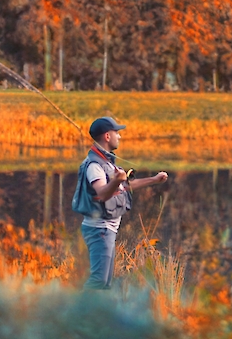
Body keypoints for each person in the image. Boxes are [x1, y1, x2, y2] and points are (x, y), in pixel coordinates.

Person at [72, 117, 168, 290]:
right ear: (107, 136)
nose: (119, 137)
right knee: (99, 280)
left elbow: (125, 186)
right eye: (117, 133)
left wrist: (154, 180)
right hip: (99, 229)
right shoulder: (94, 165)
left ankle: (94, 314)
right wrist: (116, 181)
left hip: (106, 229)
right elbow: (102, 193)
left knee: (104, 281)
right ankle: (74, 311)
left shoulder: (107, 162)